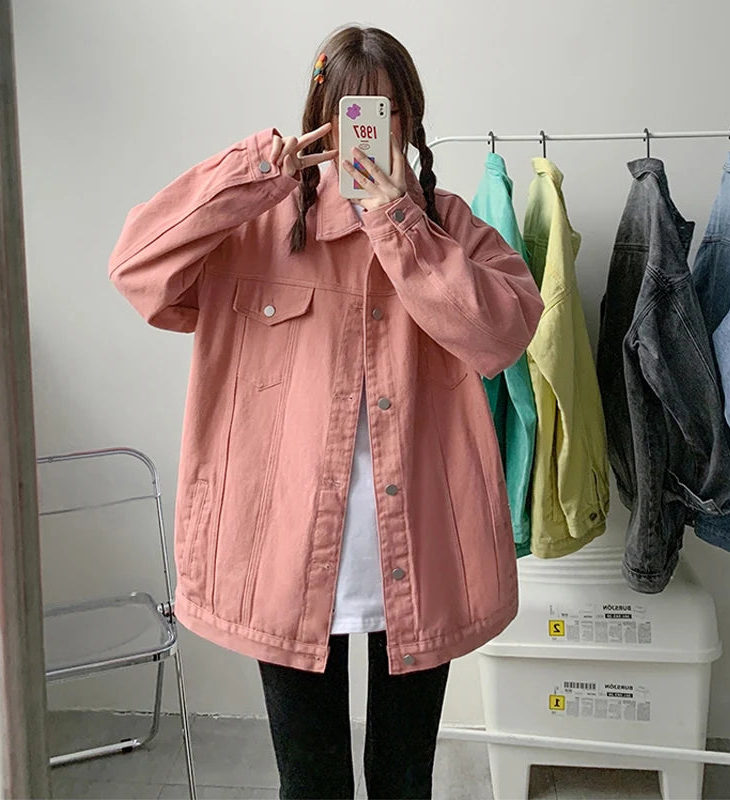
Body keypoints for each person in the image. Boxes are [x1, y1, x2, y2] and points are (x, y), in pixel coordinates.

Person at [108, 23, 543, 800]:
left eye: (385, 113)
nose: (366, 135)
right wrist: (249, 173)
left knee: (403, 780)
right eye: (351, 113)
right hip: (282, 558)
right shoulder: (260, 228)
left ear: (409, 119)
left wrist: (398, 222)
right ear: (322, 119)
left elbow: (503, 334)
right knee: (309, 783)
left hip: (424, 560)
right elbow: (137, 269)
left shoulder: (446, 226)